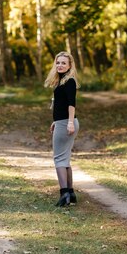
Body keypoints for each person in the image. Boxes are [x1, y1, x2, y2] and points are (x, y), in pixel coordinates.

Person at [44, 51, 80, 207]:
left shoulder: (69, 81)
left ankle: (63, 193)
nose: (60, 65)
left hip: (67, 123)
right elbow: (60, 105)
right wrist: (55, 121)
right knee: (65, 159)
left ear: (70, 65)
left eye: (63, 63)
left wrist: (69, 122)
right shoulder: (61, 81)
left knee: (59, 159)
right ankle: (70, 194)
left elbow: (71, 104)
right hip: (62, 122)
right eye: (58, 62)